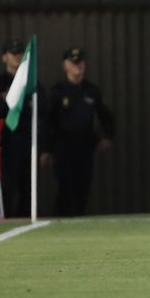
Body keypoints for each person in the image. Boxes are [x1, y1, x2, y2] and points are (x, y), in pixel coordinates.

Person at [41, 47, 115, 218]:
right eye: (73, 63)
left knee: (83, 187)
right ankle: (60, 222)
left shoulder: (92, 91)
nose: (78, 66)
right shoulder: (57, 91)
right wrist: (46, 150)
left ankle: (78, 221)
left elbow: (106, 115)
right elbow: (47, 122)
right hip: (63, 147)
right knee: (65, 187)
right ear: (65, 65)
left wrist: (108, 136)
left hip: (85, 146)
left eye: (80, 62)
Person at [0, 40, 40, 221]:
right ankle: (4, 215)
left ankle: (24, 218)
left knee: (26, 183)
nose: (18, 57)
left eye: (20, 53)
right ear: (4, 57)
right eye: (13, 53)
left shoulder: (30, 83)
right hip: (5, 140)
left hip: (27, 140)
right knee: (6, 183)